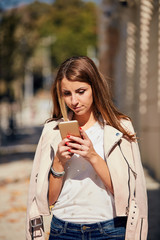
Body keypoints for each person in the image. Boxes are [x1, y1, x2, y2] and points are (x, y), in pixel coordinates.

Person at [26, 56, 148, 240]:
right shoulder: (51, 131)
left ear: (95, 88)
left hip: (111, 229)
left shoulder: (121, 128)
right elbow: (49, 201)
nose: (74, 100)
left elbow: (127, 194)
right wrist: (59, 162)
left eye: (81, 91)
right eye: (67, 93)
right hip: (63, 229)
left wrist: (92, 156)